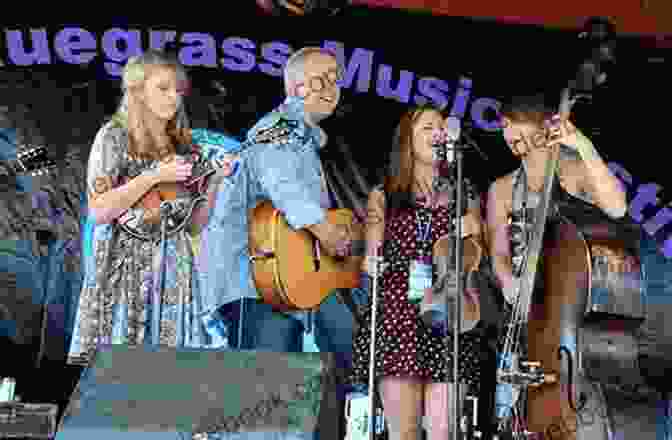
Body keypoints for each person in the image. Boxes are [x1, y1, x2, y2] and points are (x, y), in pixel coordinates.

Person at [197, 47, 354, 437]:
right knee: (262, 404)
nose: (332, 87)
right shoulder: (283, 127)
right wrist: (324, 228)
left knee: (276, 404)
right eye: (323, 78)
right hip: (254, 283)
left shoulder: (301, 136)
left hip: (276, 283)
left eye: (337, 78)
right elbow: (281, 180)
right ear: (298, 87)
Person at [68, 50, 236, 362]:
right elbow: (100, 210)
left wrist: (216, 181)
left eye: (178, 90)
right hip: (125, 268)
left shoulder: (187, 146)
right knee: (120, 375)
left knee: (170, 378)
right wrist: (153, 177)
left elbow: (195, 225)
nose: (174, 97)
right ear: (137, 90)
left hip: (174, 268)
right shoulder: (113, 137)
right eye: (163, 88)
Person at [348, 105, 486, 440]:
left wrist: (473, 231)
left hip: (449, 312)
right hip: (399, 317)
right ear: (408, 141)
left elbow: (476, 255)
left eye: (442, 128)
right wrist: (370, 261)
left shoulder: (463, 191)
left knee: (443, 431)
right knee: (404, 433)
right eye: (428, 128)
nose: (438, 133)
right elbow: (372, 251)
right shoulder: (384, 195)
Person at [486, 93, 627, 306]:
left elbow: (617, 208)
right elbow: (498, 250)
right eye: (505, 124)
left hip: (580, 302)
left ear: (545, 125)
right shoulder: (500, 190)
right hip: (530, 310)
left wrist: (585, 147)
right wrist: (507, 281)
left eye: (517, 121)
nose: (509, 131)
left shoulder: (575, 171)